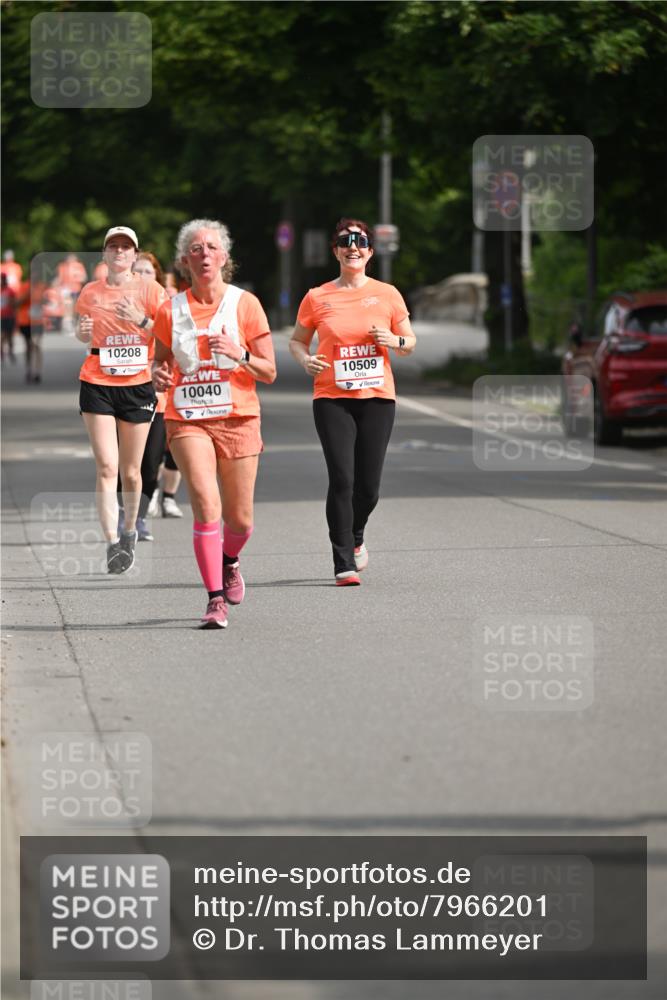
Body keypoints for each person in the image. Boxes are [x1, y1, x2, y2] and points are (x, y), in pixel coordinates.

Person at [152, 218, 276, 628]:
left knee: (239, 520)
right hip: (187, 418)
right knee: (207, 505)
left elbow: (269, 371)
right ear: (185, 262)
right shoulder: (170, 310)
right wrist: (159, 375)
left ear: (224, 257)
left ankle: (230, 560)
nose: (204, 254)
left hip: (238, 418)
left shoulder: (245, 304)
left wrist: (239, 354)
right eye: (195, 249)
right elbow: (161, 363)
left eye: (211, 247)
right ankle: (214, 599)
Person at [290, 217, 417, 585]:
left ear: (370, 252)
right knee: (342, 479)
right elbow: (298, 340)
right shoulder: (318, 296)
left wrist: (394, 342)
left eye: (360, 242)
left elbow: (410, 342)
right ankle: (342, 560)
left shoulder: (388, 293)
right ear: (336, 251)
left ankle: (356, 534)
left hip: (378, 397)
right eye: (346, 242)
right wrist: (305, 359)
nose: (353, 248)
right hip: (332, 397)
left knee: (369, 487)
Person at [75, 226, 167, 573]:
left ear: (134, 254)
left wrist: (140, 319)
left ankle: (129, 531)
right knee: (106, 467)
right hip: (97, 381)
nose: (119, 252)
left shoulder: (151, 289)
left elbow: (169, 332)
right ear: (105, 254)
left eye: (125, 247)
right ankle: (112, 542)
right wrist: (80, 333)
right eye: (113, 246)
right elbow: (82, 330)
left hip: (137, 384)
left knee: (131, 471)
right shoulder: (91, 291)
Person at [16, 274, 47, 382]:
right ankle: (29, 369)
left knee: (36, 344)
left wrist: (43, 299)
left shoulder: (42, 286)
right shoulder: (23, 286)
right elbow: (16, 303)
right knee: (28, 346)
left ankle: (37, 372)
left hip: (37, 321)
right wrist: (27, 295)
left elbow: (47, 302)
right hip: (25, 321)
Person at [1, 273, 17, 363]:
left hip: (9, 316)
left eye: (3, 279)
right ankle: (2, 353)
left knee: (10, 336)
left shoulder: (10, 290)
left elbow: (15, 303)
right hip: (1, 317)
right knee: (2, 335)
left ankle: (11, 352)